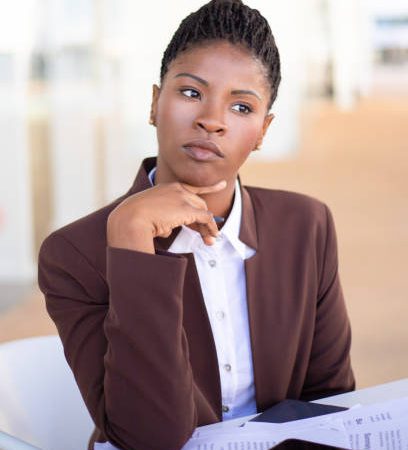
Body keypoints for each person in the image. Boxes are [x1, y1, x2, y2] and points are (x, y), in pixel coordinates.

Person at [38, 1, 355, 449]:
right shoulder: (74, 254)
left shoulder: (307, 226)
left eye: (241, 107)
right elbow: (150, 438)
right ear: (154, 103)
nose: (212, 120)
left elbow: (329, 401)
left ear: (263, 131)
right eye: (191, 93)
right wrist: (130, 239)